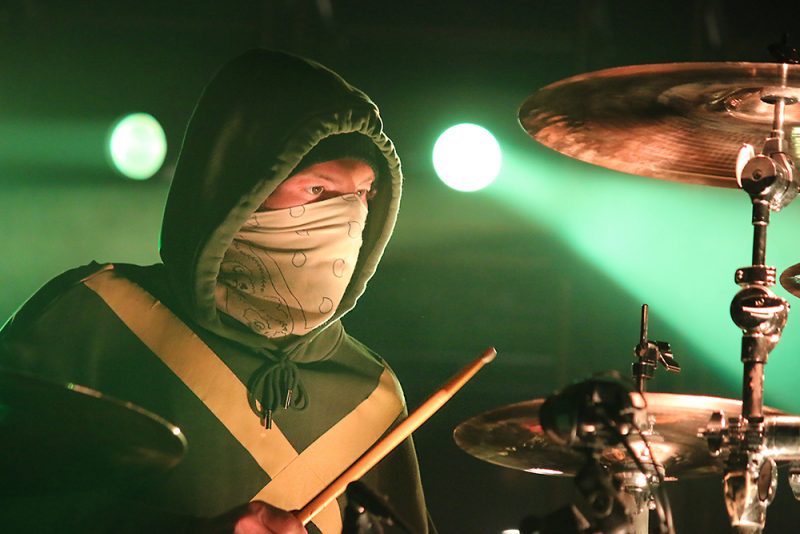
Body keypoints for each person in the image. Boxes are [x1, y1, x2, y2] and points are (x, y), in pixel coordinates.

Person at [0, 49, 434, 533]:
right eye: (318, 191)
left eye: (364, 193)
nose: (349, 217)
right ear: (236, 190)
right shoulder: (95, 316)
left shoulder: (372, 394)